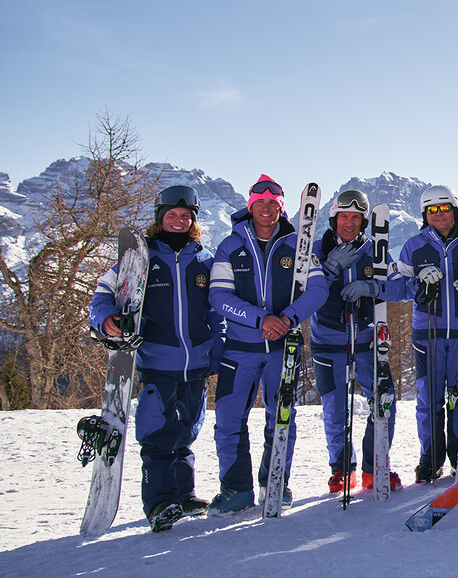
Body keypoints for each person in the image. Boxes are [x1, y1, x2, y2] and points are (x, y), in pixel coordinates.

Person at [88, 185, 225, 531]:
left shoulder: (204, 260)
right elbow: (103, 294)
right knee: (158, 432)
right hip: (156, 361)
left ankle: (183, 494)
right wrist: (106, 319)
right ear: (159, 218)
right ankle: (159, 502)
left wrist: (216, 353)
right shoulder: (140, 258)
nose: (178, 221)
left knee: (188, 431)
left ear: (193, 220)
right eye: (171, 215)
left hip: (196, 362)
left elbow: (215, 313)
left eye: (185, 216)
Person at [207, 174, 330, 515]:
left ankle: (274, 481)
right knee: (230, 421)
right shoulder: (230, 246)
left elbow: (318, 290)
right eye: (259, 202)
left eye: (272, 203)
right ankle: (236, 489)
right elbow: (218, 296)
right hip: (239, 348)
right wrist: (261, 319)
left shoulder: (297, 245)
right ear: (250, 206)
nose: (265, 208)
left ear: (281, 208)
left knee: (282, 417)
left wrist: (287, 318)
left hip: (283, 348)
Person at [309, 189, 406, 493]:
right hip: (328, 340)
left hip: (366, 340)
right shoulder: (316, 249)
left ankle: (373, 466)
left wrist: (371, 287)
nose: (349, 223)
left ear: (364, 221)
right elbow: (302, 296)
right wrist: (329, 269)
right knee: (335, 409)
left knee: (384, 403)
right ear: (333, 219)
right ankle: (341, 469)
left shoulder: (374, 251)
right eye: (343, 217)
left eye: (355, 217)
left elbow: (400, 289)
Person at [395, 185, 458, 482]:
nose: (439, 215)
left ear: (455, 209)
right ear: (425, 214)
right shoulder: (415, 245)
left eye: (444, 208)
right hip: (428, 332)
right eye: (432, 210)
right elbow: (395, 286)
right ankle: (430, 457)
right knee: (429, 397)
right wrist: (418, 285)